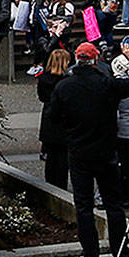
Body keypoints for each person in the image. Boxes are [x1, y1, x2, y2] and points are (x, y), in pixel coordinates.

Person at [49, 41, 129, 257]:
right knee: (113, 204)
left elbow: (53, 117)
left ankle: (91, 254)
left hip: (79, 150)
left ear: (77, 59)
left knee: (83, 206)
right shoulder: (107, 84)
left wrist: (71, 129)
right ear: (95, 61)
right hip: (105, 150)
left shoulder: (64, 87)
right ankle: (121, 253)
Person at [37, 47, 72, 190]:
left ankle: (50, 185)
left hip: (48, 118)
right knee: (63, 158)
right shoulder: (66, 81)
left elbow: (41, 97)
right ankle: (61, 185)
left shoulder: (44, 79)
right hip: (64, 120)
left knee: (51, 157)